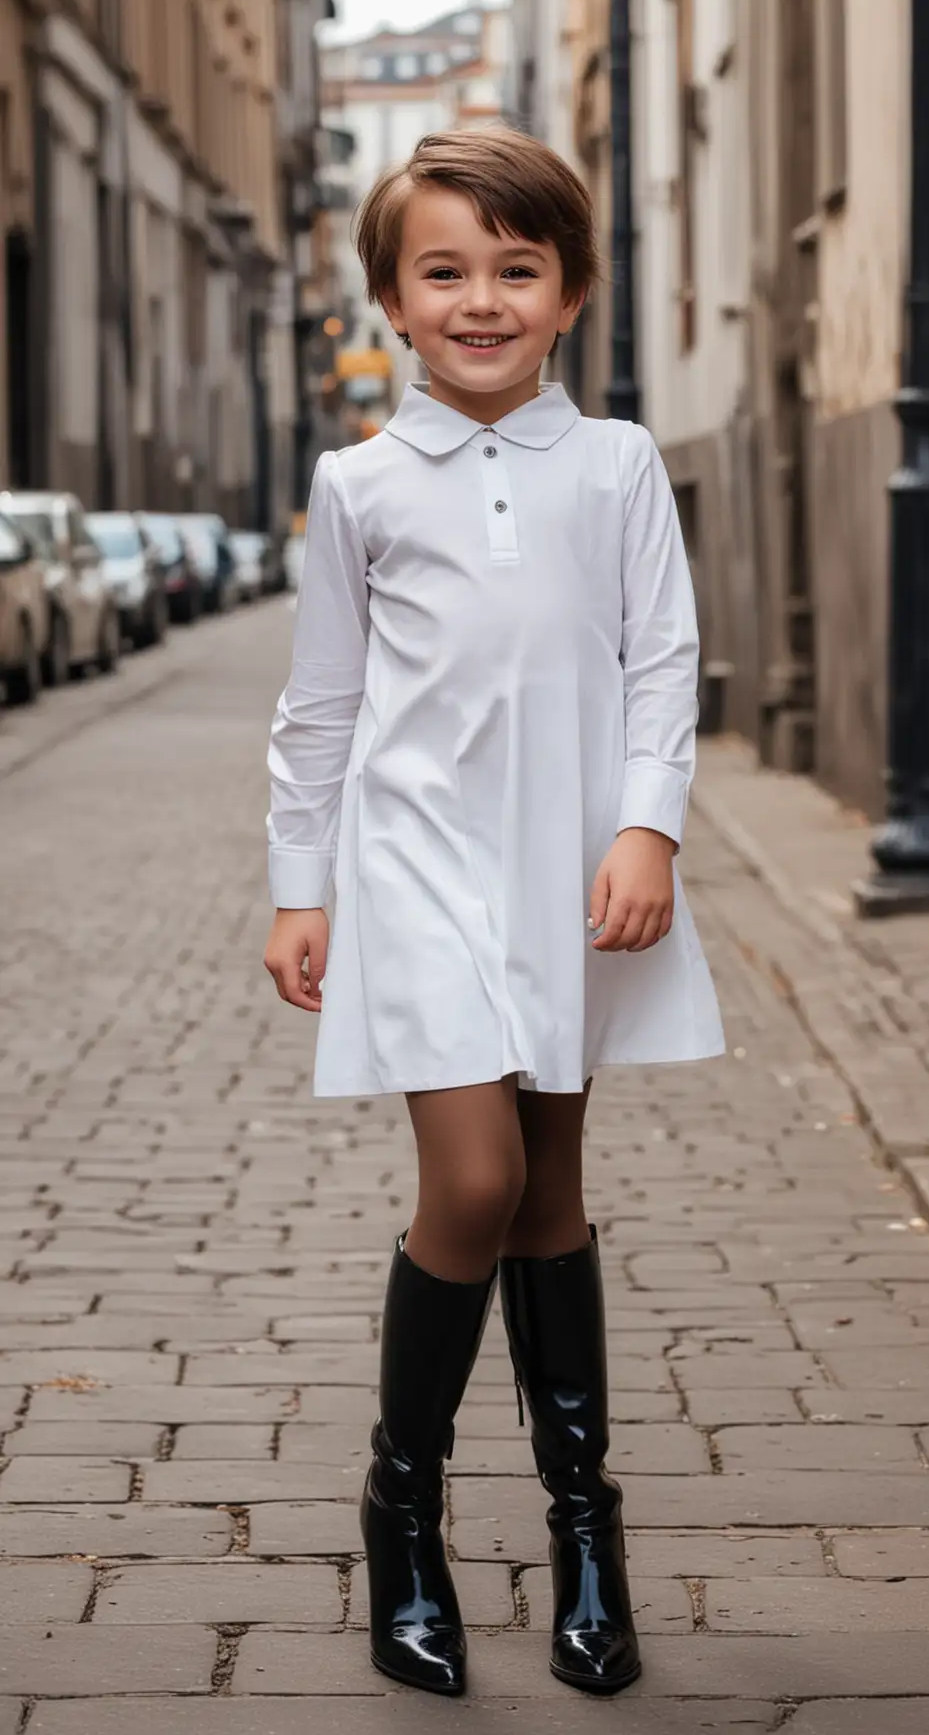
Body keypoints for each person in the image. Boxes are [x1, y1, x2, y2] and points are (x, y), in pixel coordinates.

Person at [263, 128, 724, 1698]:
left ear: (571, 292)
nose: (480, 300)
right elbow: (319, 710)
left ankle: (586, 1530)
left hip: (571, 862)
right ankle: (405, 1513)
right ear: (391, 297)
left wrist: (647, 829)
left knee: (551, 1188)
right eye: (444, 271)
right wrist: (295, 888)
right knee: (474, 1175)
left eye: (515, 270)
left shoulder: (614, 466)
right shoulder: (361, 483)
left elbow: (661, 660)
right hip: (415, 864)